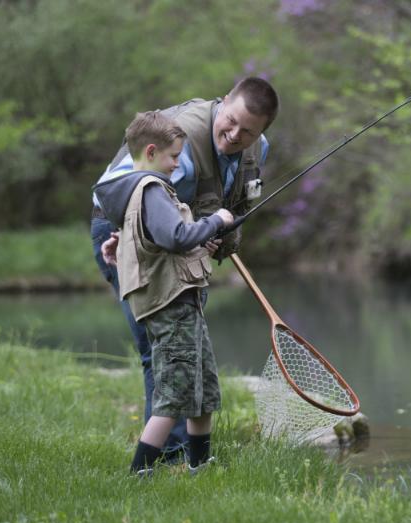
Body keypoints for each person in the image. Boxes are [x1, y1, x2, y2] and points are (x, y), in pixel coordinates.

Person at [90, 77, 279, 463]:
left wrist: (211, 234)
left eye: (248, 131)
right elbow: (125, 196)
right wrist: (120, 239)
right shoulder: (182, 141)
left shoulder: (257, 150)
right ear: (223, 101)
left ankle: (191, 457)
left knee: (187, 353)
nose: (234, 134)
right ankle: (166, 457)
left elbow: (220, 207)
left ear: (261, 133)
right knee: (162, 352)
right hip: (123, 232)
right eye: (231, 120)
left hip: (182, 244)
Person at [93, 110, 235, 474]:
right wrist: (216, 220)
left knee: (202, 390)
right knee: (172, 397)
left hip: (182, 302)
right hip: (171, 308)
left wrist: (201, 244)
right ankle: (139, 472)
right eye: (174, 156)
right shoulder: (151, 188)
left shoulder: (139, 192)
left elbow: (156, 245)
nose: (177, 164)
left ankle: (200, 465)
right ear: (152, 151)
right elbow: (174, 237)